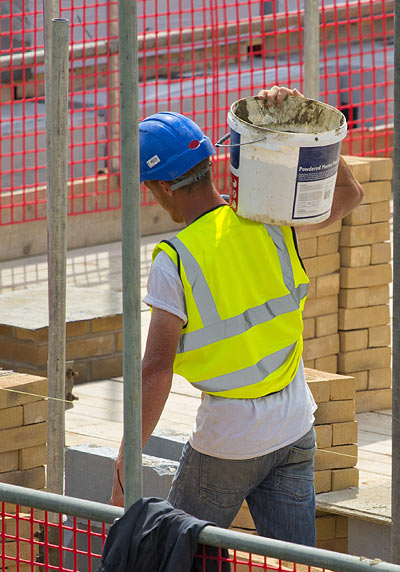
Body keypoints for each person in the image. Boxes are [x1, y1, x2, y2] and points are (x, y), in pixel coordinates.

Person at [109, 85, 364, 548]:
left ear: (163, 187)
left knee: (170, 564)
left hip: (229, 439)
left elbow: (156, 370)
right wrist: (298, 123)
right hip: (293, 424)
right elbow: (349, 191)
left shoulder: (176, 260)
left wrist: (128, 460)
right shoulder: (269, 220)